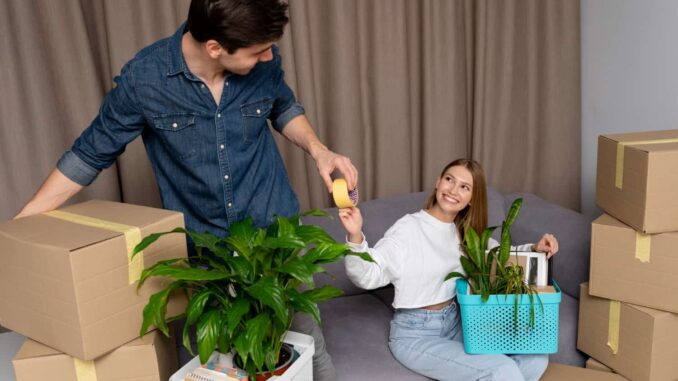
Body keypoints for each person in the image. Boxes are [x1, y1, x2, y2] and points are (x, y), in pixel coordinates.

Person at [14, 1, 353, 380]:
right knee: (214, 365)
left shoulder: (263, 62)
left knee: (308, 349)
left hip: (275, 238)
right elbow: (90, 153)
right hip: (205, 253)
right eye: (258, 51)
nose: (269, 57)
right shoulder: (145, 79)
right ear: (214, 47)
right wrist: (22, 224)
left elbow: (284, 106)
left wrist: (320, 151)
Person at [337, 159, 558, 381]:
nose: (453, 190)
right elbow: (369, 274)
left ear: (472, 199)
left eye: (465, 187)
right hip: (415, 334)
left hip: (457, 323)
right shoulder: (409, 228)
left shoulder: (463, 233)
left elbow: (499, 256)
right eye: (449, 180)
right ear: (438, 182)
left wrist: (535, 249)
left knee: (535, 357)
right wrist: (356, 236)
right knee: (501, 370)